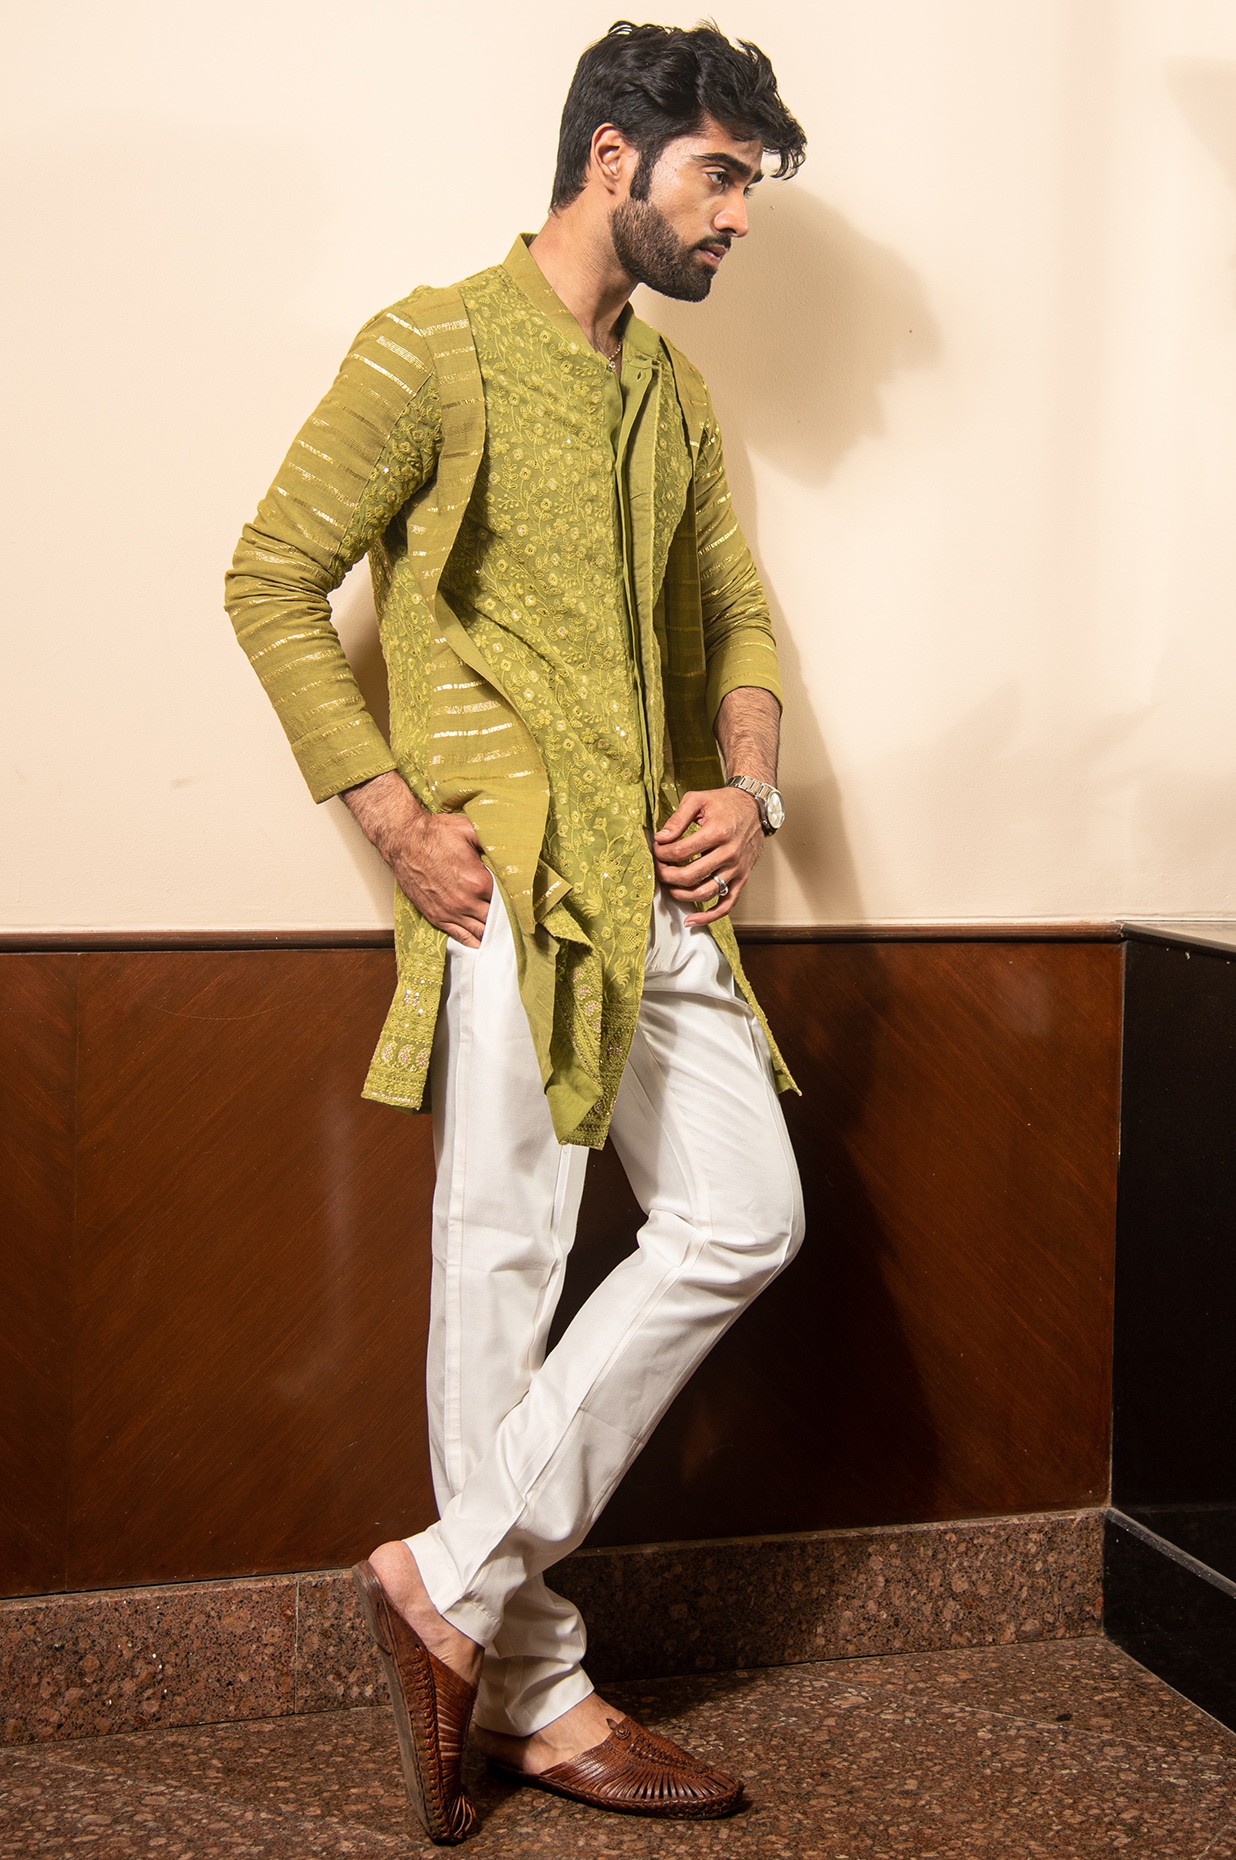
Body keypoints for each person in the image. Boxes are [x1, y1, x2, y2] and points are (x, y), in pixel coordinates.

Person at [226, 18, 806, 1844]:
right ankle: (540, 1697)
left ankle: (450, 1576)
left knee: (746, 1213)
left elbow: (738, 613)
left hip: (661, 885)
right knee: (506, 1264)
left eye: (750, 188)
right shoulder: (436, 345)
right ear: (615, 158)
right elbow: (269, 576)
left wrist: (750, 786)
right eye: (722, 176)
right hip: (507, 887)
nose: (737, 218)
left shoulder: (672, 397)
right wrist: (393, 819)